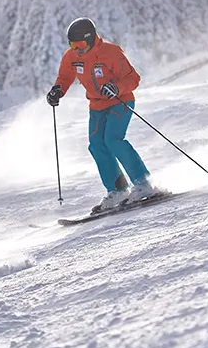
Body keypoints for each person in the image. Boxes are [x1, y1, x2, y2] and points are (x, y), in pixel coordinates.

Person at [46, 17, 163, 213]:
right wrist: (58, 90)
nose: (78, 49)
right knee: (96, 145)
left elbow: (133, 78)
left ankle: (144, 184)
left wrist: (116, 87)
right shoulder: (72, 57)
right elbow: (65, 77)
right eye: (73, 45)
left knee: (113, 139)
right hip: (97, 106)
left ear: (90, 39)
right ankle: (117, 190)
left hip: (120, 101)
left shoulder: (111, 53)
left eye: (81, 44)